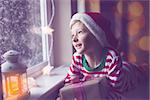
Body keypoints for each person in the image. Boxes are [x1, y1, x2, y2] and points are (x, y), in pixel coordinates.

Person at [64, 12, 142, 99]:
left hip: (129, 73)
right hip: (115, 72)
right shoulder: (77, 58)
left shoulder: (111, 58)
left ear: (96, 34)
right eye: (72, 35)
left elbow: (117, 91)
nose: (74, 39)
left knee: (140, 70)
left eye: (79, 32)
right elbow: (69, 83)